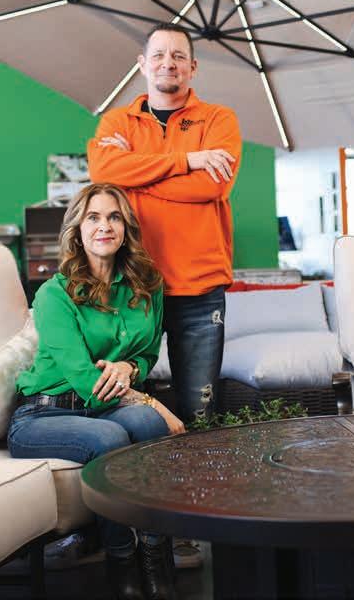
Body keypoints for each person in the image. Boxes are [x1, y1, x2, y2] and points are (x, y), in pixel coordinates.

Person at [8, 183, 184, 600]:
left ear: (125, 228)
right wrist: (153, 401)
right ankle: (121, 563)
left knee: (148, 426)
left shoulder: (148, 286)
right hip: (43, 414)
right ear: (77, 229)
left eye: (114, 217)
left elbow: (147, 353)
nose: (104, 226)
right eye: (93, 217)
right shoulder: (54, 294)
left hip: (104, 406)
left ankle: (156, 556)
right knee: (112, 437)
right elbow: (87, 381)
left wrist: (129, 367)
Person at [88, 22, 241, 430]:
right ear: (142, 64)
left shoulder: (218, 119)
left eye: (178, 56)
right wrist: (188, 161)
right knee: (126, 408)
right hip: (131, 285)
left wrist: (135, 175)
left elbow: (212, 185)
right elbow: (103, 171)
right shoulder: (117, 122)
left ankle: (197, 473)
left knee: (199, 414)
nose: (167, 63)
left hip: (199, 288)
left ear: (192, 67)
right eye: (158, 55)